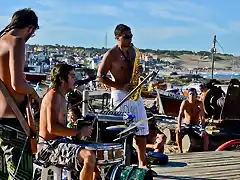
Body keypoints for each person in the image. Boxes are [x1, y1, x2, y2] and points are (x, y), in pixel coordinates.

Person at [97, 24, 149, 168]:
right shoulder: (111, 54)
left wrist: (138, 69)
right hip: (119, 93)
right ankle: (119, 164)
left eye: (131, 36)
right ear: (117, 37)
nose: (129, 39)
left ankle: (142, 163)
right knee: (121, 130)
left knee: (142, 128)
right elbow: (100, 76)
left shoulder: (134, 51)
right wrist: (119, 86)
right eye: (126, 37)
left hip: (134, 92)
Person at [0, 8, 41, 179]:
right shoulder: (16, 42)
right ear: (30, 28)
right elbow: (17, 84)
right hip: (13, 123)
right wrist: (34, 93)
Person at [37, 64, 96, 180]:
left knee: (96, 155)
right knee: (89, 157)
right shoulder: (54, 96)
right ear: (62, 79)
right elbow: (52, 128)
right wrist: (79, 131)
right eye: (72, 76)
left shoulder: (62, 97)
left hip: (58, 143)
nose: (76, 79)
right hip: (48, 147)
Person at [176, 88, 208, 153]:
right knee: (178, 132)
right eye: (190, 94)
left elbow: (202, 117)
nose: (192, 96)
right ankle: (180, 150)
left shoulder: (199, 103)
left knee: (205, 135)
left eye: (193, 94)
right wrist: (179, 126)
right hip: (186, 125)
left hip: (195, 125)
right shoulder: (185, 102)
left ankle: (205, 151)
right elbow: (180, 115)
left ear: (196, 96)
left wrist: (203, 129)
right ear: (188, 95)